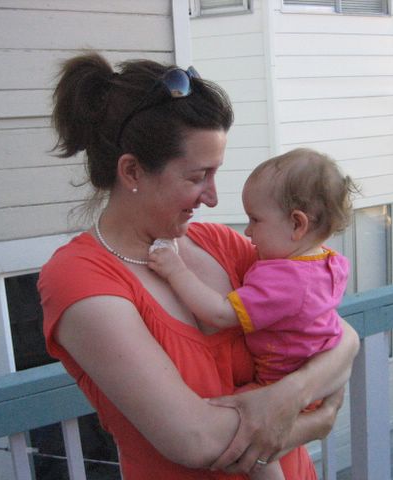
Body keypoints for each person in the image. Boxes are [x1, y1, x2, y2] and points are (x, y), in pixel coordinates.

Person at [38, 51, 360, 480]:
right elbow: (196, 440)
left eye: (215, 174)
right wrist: (314, 420)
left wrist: (289, 396)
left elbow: (342, 337)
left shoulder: (222, 244)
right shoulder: (81, 278)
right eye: (196, 177)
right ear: (132, 172)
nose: (212, 197)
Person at [148, 148, 354, 480]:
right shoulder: (326, 262)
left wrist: (175, 271)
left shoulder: (284, 279)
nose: (247, 232)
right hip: (317, 378)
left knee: (244, 425)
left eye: (255, 220)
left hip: (280, 383)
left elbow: (219, 313)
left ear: (297, 224)